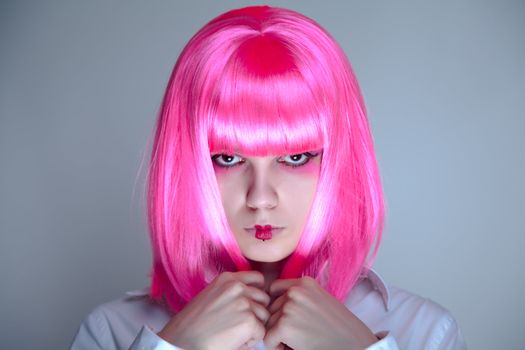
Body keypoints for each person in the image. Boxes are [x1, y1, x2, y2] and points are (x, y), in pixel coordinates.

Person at [70, 5, 466, 350]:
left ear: (342, 161)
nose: (260, 198)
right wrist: (172, 348)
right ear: (187, 166)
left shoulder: (425, 332)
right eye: (227, 158)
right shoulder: (112, 332)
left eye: (295, 157)